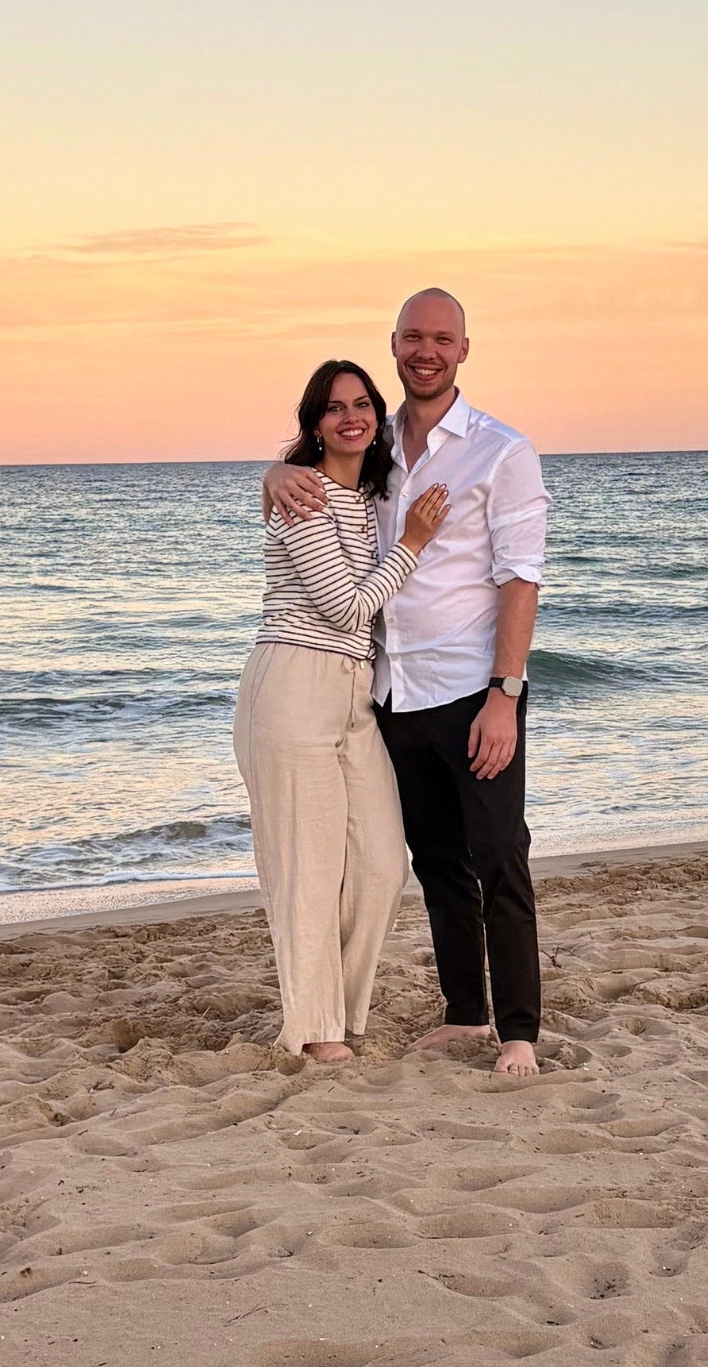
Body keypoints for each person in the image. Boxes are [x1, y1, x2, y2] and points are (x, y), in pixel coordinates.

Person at [264, 290, 549, 1077]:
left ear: (464, 349)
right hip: (390, 693)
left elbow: (520, 579)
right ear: (395, 344)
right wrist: (271, 474)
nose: (427, 351)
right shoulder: (378, 445)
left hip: (471, 688)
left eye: (442, 339)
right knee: (435, 862)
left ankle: (519, 1031)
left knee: (498, 855)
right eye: (414, 337)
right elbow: (313, 483)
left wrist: (506, 694)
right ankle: (466, 1015)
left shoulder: (501, 450)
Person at [234, 359, 449, 1063]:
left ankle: (341, 1012)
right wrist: (415, 543)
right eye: (333, 408)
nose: (349, 416)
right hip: (293, 687)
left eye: (361, 404)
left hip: (357, 695)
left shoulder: (370, 498)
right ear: (313, 422)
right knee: (307, 871)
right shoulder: (305, 498)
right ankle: (317, 1028)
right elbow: (348, 605)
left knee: (384, 865)